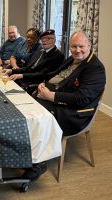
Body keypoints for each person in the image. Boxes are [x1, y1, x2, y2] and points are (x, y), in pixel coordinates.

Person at [21, 31, 106, 182]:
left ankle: (37, 163)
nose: (77, 50)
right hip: (63, 101)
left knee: (37, 114)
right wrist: (44, 84)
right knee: (29, 105)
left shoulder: (95, 69)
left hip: (76, 113)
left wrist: (50, 96)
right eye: (74, 46)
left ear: (89, 45)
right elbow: (55, 75)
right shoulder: (72, 59)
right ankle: (26, 151)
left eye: (81, 46)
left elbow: (82, 98)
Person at [3, 29, 65, 93]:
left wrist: (21, 75)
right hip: (28, 78)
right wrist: (12, 71)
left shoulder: (58, 55)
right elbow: (29, 68)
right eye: (43, 38)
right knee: (5, 85)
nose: (44, 40)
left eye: (48, 38)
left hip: (39, 84)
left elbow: (43, 74)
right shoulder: (40, 51)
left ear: (54, 40)